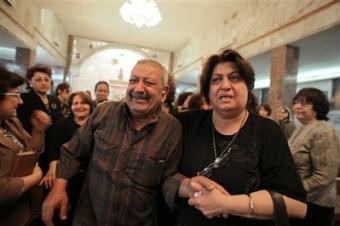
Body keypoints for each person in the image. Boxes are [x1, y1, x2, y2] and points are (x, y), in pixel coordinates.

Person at [163, 49, 306, 226]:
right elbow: (159, 173)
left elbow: (297, 206)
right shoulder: (185, 123)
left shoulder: (268, 131)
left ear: (248, 86)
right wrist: (185, 185)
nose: (225, 85)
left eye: (235, 78)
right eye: (216, 80)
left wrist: (225, 204)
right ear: (208, 90)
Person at [42, 59, 182, 226]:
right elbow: (73, 151)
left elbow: (168, 176)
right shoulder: (104, 113)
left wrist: (188, 187)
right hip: (89, 217)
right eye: (133, 80)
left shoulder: (172, 129)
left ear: (164, 92)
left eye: (149, 82)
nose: (138, 88)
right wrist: (59, 187)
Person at [0, 66, 50, 226]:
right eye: (15, 95)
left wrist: (38, 130)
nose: (20, 102)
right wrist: (35, 176)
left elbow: (32, 151)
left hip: (20, 211)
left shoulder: (10, 122)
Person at [289, 87, 340, 226]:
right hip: (299, 199)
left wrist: (297, 191)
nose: (298, 106)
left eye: (304, 103)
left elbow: (324, 176)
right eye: (296, 102)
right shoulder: (302, 128)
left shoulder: (324, 131)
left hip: (315, 204)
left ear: (317, 106)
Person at [40, 91, 93, 226]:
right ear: (70, 107)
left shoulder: (98, 126)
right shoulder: (61, 125)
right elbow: (53, 148)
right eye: (75, 103)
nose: (79, 106)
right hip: (66, 174)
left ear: (90, 106)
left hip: (90, 177)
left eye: (84, 103)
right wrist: (53, 167)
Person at [17, 64, 63, 173]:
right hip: (33, 145)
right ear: (30, 82)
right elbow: (22, 126)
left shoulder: (55, 100)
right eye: (38, 80)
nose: (43, 83)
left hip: (53, 147)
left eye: (47, 80)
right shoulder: (24, 99)